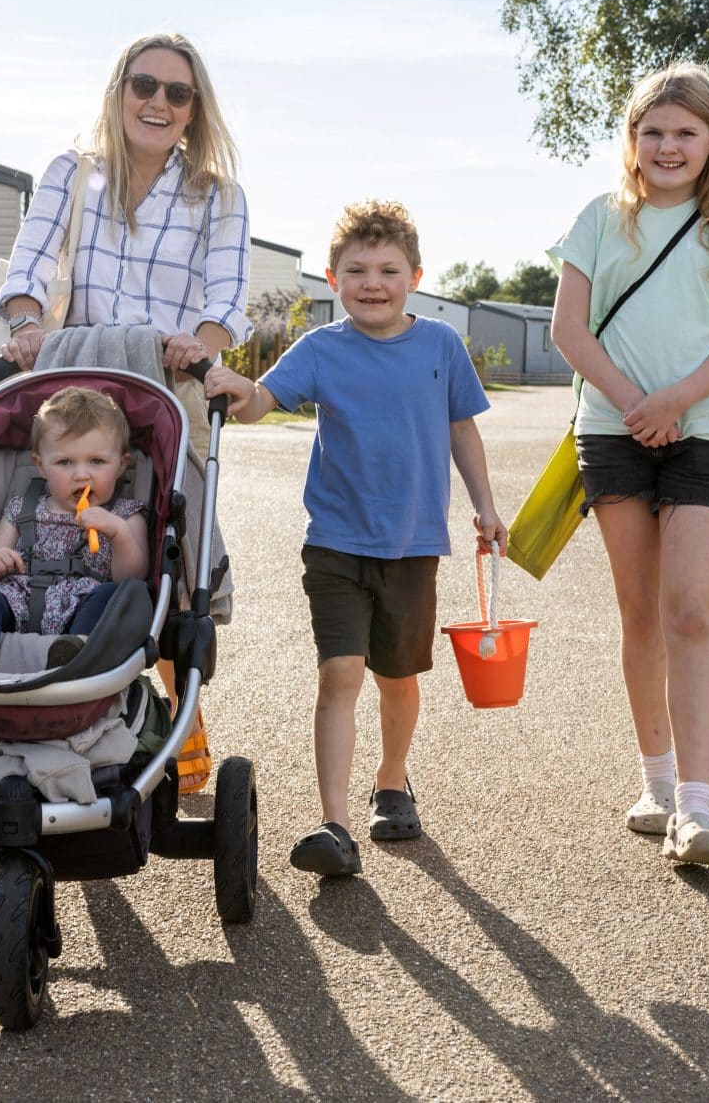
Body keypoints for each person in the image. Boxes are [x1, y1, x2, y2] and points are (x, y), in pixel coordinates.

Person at [204, 200, 506, 878]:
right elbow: (259, 403)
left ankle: (392, 780)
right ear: (333, 279)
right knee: (340, 673)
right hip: (336, 542)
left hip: (412, 544)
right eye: (356, 270)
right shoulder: (321, 349)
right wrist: (234, 385)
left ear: (415, 276)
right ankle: (333, 824)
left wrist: (485, 507)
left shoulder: (441, 347)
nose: (373, 282)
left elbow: (462, 428)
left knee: (395, 678)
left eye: (388, 270)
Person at [0, 31, 249, 790]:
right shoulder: (72, 174)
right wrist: (25, 325)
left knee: (168, 559)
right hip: (75, 383)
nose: (158, 103)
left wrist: (197, 347)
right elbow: (29, 265)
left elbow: (224, 300)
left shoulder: (217, 196)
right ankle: (40, 693)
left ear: (194, 108)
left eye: (177, 92)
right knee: (50, 535)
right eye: (145, 85)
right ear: (119, 90)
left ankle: (178, 705)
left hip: (165, 390)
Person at [549, 61, 709, 868]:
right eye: (653, 131)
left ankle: (697, 809)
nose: (668, 145)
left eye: (686, 132)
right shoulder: (598, 220)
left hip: (705, 431)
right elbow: (569, 333)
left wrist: (675, 402)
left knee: (691, 612)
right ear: (633, 140)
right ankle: (654, 784)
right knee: (641, 612)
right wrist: (634, 403)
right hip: (613, 434)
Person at [0, 386, 150, 671]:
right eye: (64, 462)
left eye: (97, 461)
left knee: (115, 597)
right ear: (40, 465)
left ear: (122, 465)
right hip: (19, 600)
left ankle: (80, 650)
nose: (81, 474)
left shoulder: (125, 515)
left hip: (84, 603)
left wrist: (119, 533)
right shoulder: (23, 508)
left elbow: (134, 577)